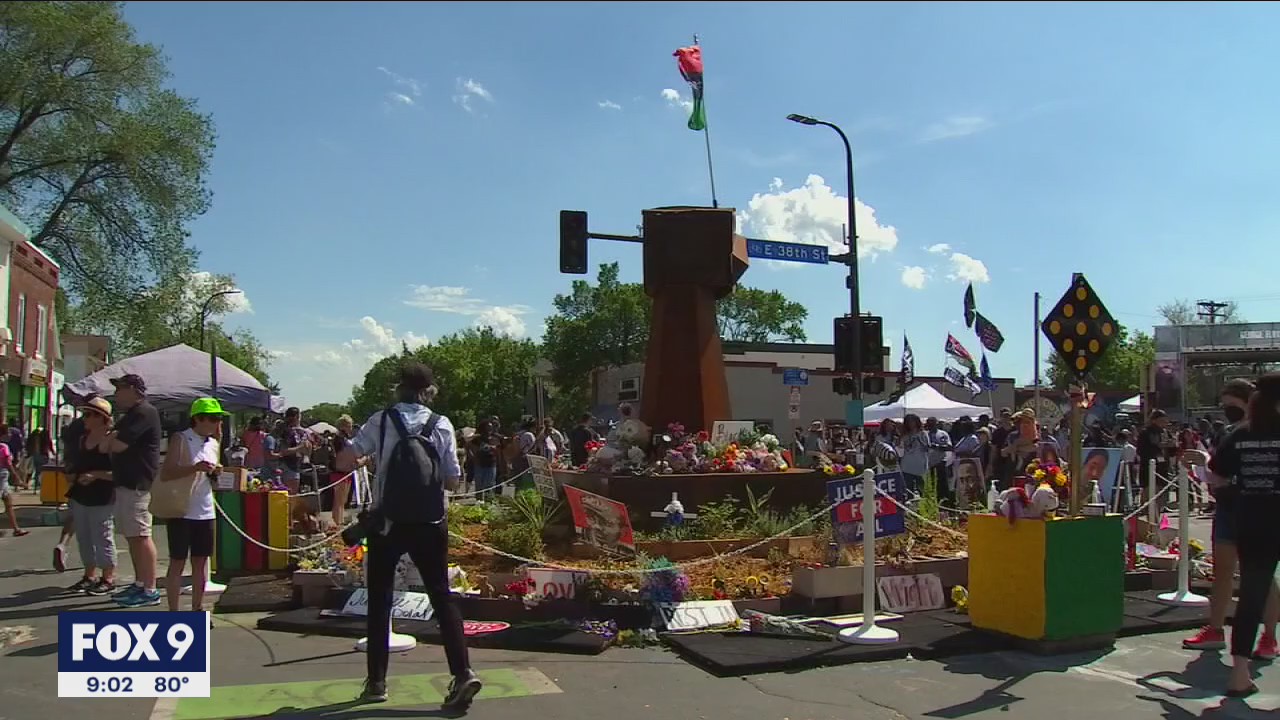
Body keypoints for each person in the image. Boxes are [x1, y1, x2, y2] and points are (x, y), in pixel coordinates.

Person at [336, 363, 480, 711]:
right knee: (441, 596)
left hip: (388, 521)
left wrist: (370, 460)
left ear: (398, 388)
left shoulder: (382, 420)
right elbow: (452, 480)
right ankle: (462, 673)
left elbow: (345, 460)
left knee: (380, 597)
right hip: (430, 521)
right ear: (429, 391)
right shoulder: (441, 424)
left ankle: (377, 681)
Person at [1184, 378, 1280, 658]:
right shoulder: (1229, 433)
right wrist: (1204, 463)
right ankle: (1216, 629)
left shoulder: (1258, 430)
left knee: (1261, 575)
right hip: (1228, 508)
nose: (1228, 411)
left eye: (1233, 405)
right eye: (1225, 406)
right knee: (1223, 571)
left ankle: (1269, 636)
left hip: (1258, 510)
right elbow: (1218, 470)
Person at [1205, 372, 1280, 697]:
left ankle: (1239, 674)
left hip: (1253, 520)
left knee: (1250, 596)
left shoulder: (1241, 434)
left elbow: (1216, 474)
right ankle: (1268, 640)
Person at [158, 398, 225, 613]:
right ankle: (174, 612)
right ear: (198, 419)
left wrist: (215, 471)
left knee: (201, 562)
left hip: (205, 509)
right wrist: (194, 467)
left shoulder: (213, 443)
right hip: (182, 508)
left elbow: (211, 474)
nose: (216, 423)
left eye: (218, 419)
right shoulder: (181, 438)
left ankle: (198, 608)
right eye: (213, 419)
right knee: (177, 561)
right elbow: (167, 473)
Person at [105, 374, 162, 607]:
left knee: (141, 536)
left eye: (119, 389)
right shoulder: (129, 415)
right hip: (125, 482)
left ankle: (149, 589)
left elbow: (117, 445)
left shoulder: (144, 412)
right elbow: (106, 444)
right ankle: (140, 582)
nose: (116, 394)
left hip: (137, 483)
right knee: (132, 536)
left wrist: (111, 439)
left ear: (132, 389)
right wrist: (111, 438)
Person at [66, 397, 117, 595]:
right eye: (84, 414)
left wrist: (95, 475)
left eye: (88, 415)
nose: (84, 419)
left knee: (103, 536)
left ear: (102, 418)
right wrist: (73, 474)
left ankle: (108, 577)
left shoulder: (111, 441)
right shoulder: (82, 440)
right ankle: (89, 575)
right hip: (81, 493)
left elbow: (120, 472)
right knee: (84, 536)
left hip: (103, 495)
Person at [54, 408, 90, 571]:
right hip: (91, 476)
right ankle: (92, 561)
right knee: (95, 520)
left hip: (73, 472)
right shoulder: (91, 431)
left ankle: (63, 543)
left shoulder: (74, 428)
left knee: (74, 513)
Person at [0, 431, 26, 537]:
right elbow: (8, 463)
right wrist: (17, 477)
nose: (10, 435)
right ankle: (16, 529)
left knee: (8, 502)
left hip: (3, 478)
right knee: (8, 503)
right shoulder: (3, 447)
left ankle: (16, 528)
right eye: (8, 433)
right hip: (1, 476)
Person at [468, 419, 502, 501]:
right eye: (488, 427)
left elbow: (499, 451)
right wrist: (473, 457)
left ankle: (488, 502)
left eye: (491, 427)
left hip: (491, 464)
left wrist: (500, 463)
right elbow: (468, 446)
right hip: (479, 464)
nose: (490, 429)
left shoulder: (494, 438)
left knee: (489, 484)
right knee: (479, 485)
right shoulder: (477, 439)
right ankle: (479, 501)